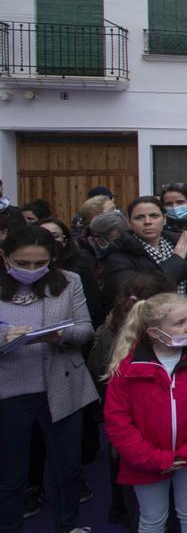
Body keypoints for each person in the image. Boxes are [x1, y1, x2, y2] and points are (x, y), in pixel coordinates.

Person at [0, 226, 97, 533]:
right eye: (22, 263)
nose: (31, 270)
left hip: (62, 384)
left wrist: (61, 334)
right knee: (11, 474)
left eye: (39, 264)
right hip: (9, 391)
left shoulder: (70, 281)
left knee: (67, 469)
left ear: (52, 259)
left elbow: (85, 329)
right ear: (5, 258)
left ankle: (68, 526)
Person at [103, 292, 187, 533]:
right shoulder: (128, 369)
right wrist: (155, 458)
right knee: (153, 517)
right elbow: (118, 422)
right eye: (180, 323)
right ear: (153, 332)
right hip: (145, 461)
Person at [102, 197, 187, 307]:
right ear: (130, 223)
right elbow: (136, 294)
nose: (148, 222)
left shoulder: (178, 243)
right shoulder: (118, 255)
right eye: (139, 217)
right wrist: (177, 260)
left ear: (164, 220)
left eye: (154, 216)